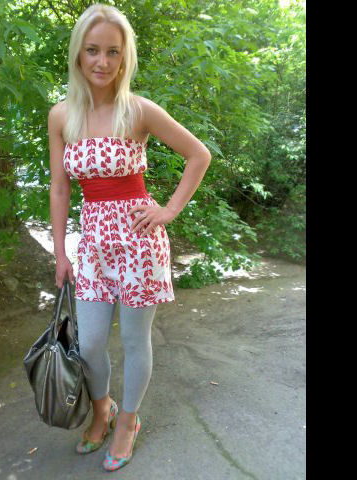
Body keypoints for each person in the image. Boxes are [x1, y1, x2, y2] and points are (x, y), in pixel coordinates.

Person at [48, 3, 211, 472]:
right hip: (93, 245)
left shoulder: (137, 110)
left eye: (112, 52)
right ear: (78, 54)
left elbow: (198, 155)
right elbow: (60, 188)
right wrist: (60, 252)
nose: (102, 61)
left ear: (124, 57)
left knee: (136, 341)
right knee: (90, 344)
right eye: (92, 50)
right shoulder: (61, 116)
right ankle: (103, 407)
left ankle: (128, 421)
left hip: (139, 243)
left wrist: (169, 210)